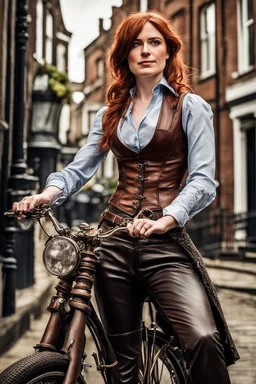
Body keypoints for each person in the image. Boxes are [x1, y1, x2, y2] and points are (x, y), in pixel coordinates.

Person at [13, 10, 239, 384]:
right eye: (136, 44)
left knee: (202, 336)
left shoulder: (190, 106)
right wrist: (46, 193)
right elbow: (78, 169)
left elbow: (203, 181)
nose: (146, 51)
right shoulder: (109, 113)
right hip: (112, 243)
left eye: (155, 43)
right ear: (125, 56)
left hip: (164, 245)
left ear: (169, 52)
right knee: (122, 363)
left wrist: (167, 217)